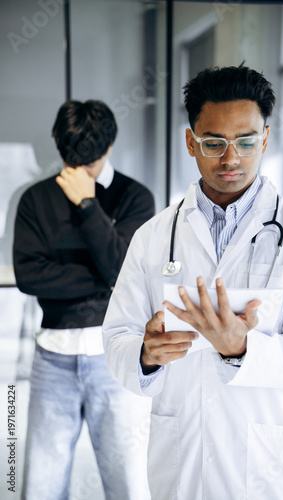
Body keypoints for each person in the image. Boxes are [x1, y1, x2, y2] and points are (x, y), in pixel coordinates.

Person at [102, 64, 283, 500]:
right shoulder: (153, 236)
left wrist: (241, 348)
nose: (231, 158)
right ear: (191, 143)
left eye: (247, 141)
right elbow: (117, 336)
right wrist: (145, 354)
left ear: (265, 138)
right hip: (182, 462)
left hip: (269, 471)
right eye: (214, 143)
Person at [13, 99, 155, 500]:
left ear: (108, 148)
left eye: (88, 161)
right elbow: (30, 276)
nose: (78, 169)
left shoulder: (134, 197)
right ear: (59, 145)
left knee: (127, 484)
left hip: (117, 355)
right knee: (41, 486)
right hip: (51, 358)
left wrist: (88, 204)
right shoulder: (34, 200)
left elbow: (123, 272)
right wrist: (105, 281)